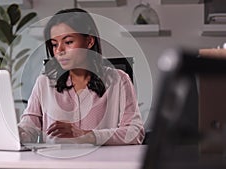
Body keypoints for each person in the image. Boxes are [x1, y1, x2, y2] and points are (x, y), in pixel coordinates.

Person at [18, 8, 145, 145]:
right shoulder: (44, 83)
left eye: (68, 42)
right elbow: (28, 129)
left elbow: (135, 132)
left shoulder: (119, 80)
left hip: (102, 163)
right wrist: (15, 133)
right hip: (55, 165)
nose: (59, 51)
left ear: (89, 41)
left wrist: (89, 136)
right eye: (54, 44)